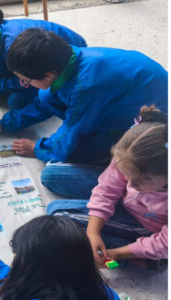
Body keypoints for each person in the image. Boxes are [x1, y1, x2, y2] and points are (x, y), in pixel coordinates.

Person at [0, 29, 168, 183]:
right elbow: (43, 104)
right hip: (124, 96)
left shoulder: (85, 88)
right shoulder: (65, 59)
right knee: (45, 96)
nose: (24, 85)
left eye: (25, 80)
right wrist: (5, 124)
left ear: (49, 75)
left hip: (149, 121)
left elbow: (73, 129)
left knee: (71, 154)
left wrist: (38, 148)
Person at [47, 106, 167, 266]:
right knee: (50, 174)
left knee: (58, 216)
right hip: (127, 199)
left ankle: (145, 260)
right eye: (126, 175)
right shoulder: (132, 153)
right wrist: (93, 231)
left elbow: (165, 242)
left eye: (139, 182)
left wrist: (118, 253)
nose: (130, 185)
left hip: (144, 224)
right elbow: (108, 187)